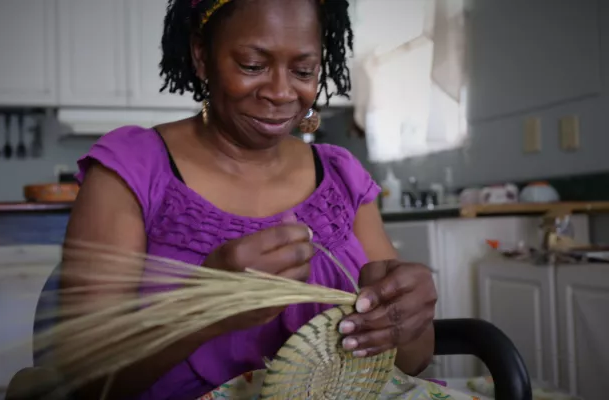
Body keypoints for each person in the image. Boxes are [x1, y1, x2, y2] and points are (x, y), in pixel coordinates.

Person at [59, 0, 437, 399]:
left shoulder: (342, 177)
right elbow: (85, 382)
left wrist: (407, 320)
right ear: (201, 57)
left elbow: (412, 362)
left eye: (303, 71)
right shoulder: (133, 169)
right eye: (253, 66)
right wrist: (202, 308)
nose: (279, 91)